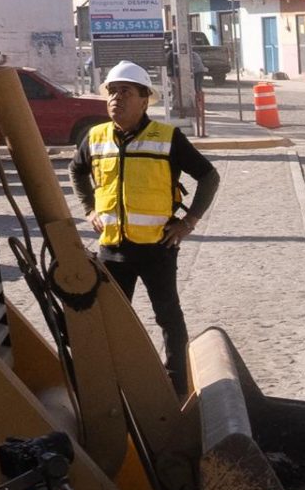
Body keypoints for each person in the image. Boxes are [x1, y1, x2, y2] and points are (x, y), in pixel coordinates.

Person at [69, 59, 220, 395]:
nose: (115, 98)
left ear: (144, 99)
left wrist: (189, 222)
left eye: (125, 91)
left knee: (168, 317)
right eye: (111, 91)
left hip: (157, 248)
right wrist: (89, 208)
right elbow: (76, 171)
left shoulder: (167, 138)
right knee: (110, 322)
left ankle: (176, 383)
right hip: (112, 249)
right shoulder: (95, 138)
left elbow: (209, 176)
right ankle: (116, 383)